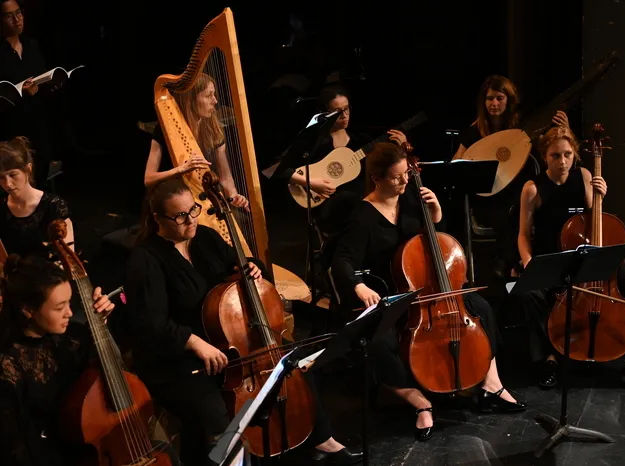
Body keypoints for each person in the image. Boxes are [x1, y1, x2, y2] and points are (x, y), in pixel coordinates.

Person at [124, 178, 362, 466]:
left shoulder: (205, 238)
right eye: (180, 216)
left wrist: (253, 267)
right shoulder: (146, 260)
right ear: (157, 219)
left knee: (294, 363)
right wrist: (195, 343)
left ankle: (322, 439)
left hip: (228, 341)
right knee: (213, 412)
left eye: (193, 210)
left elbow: (240, 264)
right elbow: (150, 323)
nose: (190, 220)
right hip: (179, 355)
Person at [331, 142, 525, 442]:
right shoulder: (362, 215)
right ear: (377, 179)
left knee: (481, 308)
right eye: (397, 177)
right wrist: (359, 286)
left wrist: (435, 212)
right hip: (391, 294)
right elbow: (342, 260)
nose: (405, 181)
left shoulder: (411, 199)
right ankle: (420, 402)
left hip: (429, 289)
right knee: (379, 344)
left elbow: (438, 243)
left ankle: (492, 384)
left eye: (407, 174)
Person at [517, 126, 625, 390]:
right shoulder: (533, 188)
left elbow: (594, 222)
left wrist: (600, 196)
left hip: (587, 261)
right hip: (552, 262)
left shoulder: (584, 175)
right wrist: (528, 260)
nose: (563, 161)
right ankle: (548, 359)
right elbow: (523, 234)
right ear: (545, 158)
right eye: (555, 156)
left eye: (567, 155)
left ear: (575, 154)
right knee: (530, 295)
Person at [0, 254, 117, 466]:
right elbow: (17, 450)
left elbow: (113, 378)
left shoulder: (74, 336)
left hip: (88, 446)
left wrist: (101, 326)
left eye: (70, 302)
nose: (70, 313)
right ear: (28, 310)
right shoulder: (8, 365)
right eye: (59, 307)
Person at [451, 75, 569, 278]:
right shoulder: (476, 130)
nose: (494, 104)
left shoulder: (521, 128)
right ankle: (510, 262)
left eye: (499, 98)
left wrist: (564, 128)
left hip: (516, 193)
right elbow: (456, 163)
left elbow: (549, 150)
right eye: (489, 98)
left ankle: (514, 262)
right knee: (506, 215)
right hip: (488, 196)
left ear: (509, 100)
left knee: (518, 209)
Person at [279, 85, 410, 236]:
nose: (345, 115)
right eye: (338, 112)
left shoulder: (360, 142)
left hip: (362, 209)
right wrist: (311, 183)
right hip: (329, 207)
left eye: (347, 109)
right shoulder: (314, 143)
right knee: (351, 201)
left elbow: (393, 169)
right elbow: (276, 170)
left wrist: (403, 148)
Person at [145, 72, 249, 209]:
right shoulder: (165, 129)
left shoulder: (214, 130)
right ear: (190, 99)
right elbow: (149, 179)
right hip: (172, 200)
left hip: (205, 203)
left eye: (214, 94)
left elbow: (225, 179)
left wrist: (233, 197)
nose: (215, 101)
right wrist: (182, 169)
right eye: (208, 96)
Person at [0, 0, 53, 189]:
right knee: (16, 179)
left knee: (41, 176)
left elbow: (42, 75)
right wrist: (20, 91)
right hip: (11, 127)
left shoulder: (31, 45)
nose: (17, 19)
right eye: (9, 15)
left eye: (19, 13)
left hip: (37, 122)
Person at [0, 136, 73, 259]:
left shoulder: (54, 206)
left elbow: (67, 260)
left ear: (28, 169)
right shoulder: (1, 207)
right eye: (1, 177)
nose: (7, 183)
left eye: (13, 175)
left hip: (50, 276)